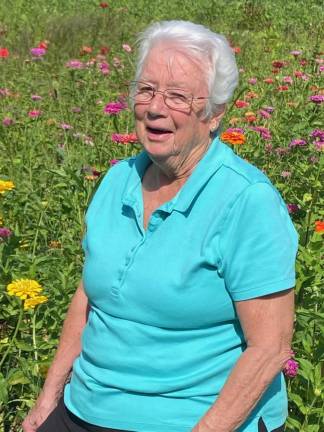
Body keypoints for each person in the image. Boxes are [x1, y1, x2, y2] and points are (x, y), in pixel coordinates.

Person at [23, 20, 298, 432]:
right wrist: (49, 398)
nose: (155, 107)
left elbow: (270, 348)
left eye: (177, 96)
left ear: (214, 114)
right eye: (147, 89)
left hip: (193, 418)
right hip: (86, 406)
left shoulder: (247, 201)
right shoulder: (118, 180)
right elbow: (89, 296)